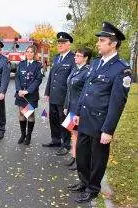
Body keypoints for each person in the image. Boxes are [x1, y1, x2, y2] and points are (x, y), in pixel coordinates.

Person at [69, 22, 132, 203]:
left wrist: (109, 130)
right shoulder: (96, 63)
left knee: (97, 159)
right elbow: (86, 90)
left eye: (102, 40)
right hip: (85, 118)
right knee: (82, 154)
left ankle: (93, 188)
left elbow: (117, 102)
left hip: (100, 123)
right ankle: (83, 182)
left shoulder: (122, 69)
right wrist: (79, 112)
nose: (98, 43)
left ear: (113, 44)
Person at [42, 32, 75, 156]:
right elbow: (51, 76)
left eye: (62, 43)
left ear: (68, 44)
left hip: (65, 96)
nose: (59, 45)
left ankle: (66, 144)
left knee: (65, 120)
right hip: (54, 95)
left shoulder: (73, 58)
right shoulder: (56, 58)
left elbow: (73, 79)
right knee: (54, 119)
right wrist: (47, 92)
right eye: (58, 43)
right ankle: (56, 140)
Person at [63, 47, 92, 171]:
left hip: (79, 109)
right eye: (75, 55)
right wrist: (65, 105)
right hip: (71, 106)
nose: (75, 57)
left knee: (79, 135)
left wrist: (79, 111)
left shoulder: (87, 72)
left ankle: (79, 160)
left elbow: (86, 93)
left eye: (79, 56)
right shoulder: (75, 69)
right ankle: (74, 156)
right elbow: (69, 90)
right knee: (73, 133)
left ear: (85, 58)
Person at [15, 45, 43, 145]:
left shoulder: (38, 65)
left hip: (30, 95)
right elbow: (17, 78)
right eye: (27, 51)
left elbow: (38, 80)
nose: (29, 54)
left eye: (31, 52)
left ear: (35, 54)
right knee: (21, 114)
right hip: (20, 94)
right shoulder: (21, 64)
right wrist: (19, 90)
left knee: (29, 115)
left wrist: (28, 91)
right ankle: (23, 134)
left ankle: (29, 135)